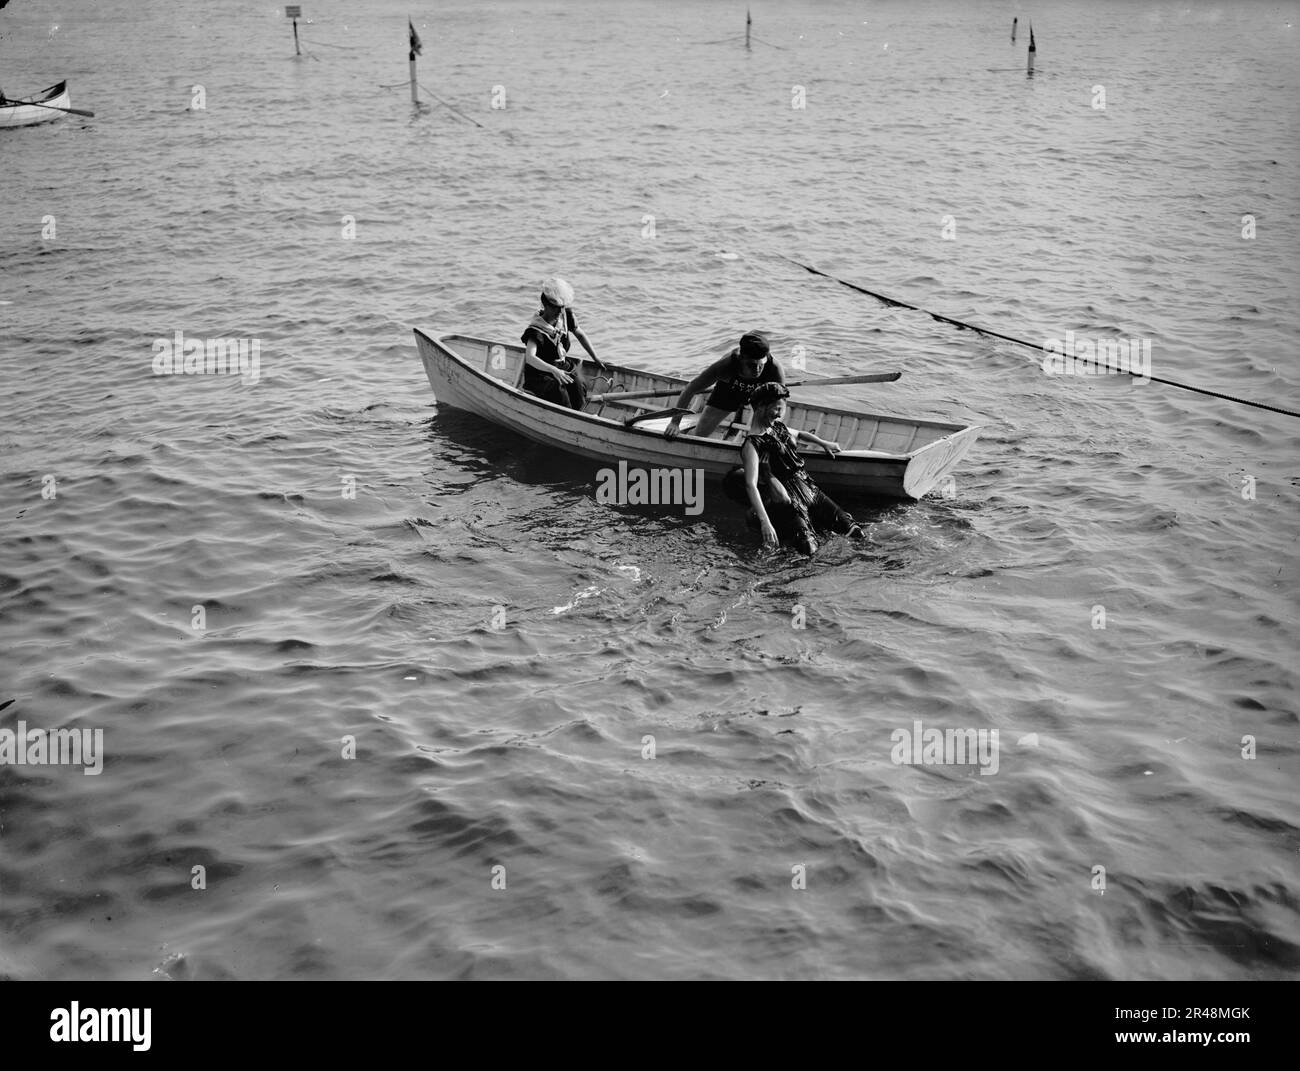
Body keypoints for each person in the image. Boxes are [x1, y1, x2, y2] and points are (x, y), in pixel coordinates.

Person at [727, 381, 864, 554]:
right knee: (808, 549)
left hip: (810, 488)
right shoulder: (752, 444)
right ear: (760, 406)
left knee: (855, 532)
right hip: (791, 500)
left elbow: (800, 434)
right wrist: (765, 522)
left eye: (781, 410)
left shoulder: (777, 428)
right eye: (776, 409)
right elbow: (751, 485)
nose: (779, 415)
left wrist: (824, 443)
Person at [663, 330, 784, 439]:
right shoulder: (725, 366)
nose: (757, 369)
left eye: (761, 364)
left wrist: (771, 426)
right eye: (752, 365)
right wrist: (675, 422)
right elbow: (690, 390)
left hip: (760, 395)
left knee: (762, 433)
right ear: (741, 359)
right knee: (701, 433)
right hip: (729, 391)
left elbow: (781, 403)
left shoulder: (774, 368)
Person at [520, 276, 605, 410]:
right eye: (556, 308)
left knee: (578, 384)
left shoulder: (565, 316)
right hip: (541, 373)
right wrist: (554, 371)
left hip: (562, 366)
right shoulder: (535, 330)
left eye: (562, 307)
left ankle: (579, 415)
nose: (560, 312)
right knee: (558, 391)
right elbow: (530, 358)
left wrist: (596, 358)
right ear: (546, 305)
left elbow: (580, 335)